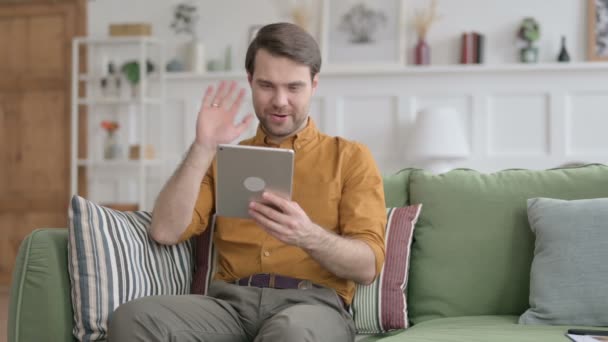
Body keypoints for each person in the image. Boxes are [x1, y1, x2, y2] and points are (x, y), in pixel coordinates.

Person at [108, 22, 386, 342]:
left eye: (294, 87)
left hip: (312, 306)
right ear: (251, 81)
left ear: (314, 84)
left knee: (289, 333)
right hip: (229, 307)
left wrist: (307, 235)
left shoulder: (350, 157)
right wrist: (203, 147)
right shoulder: (224, 158)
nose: (280, 100)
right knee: (133, 319)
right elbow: (165, 230)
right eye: (267, 85)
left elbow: (367, 266)